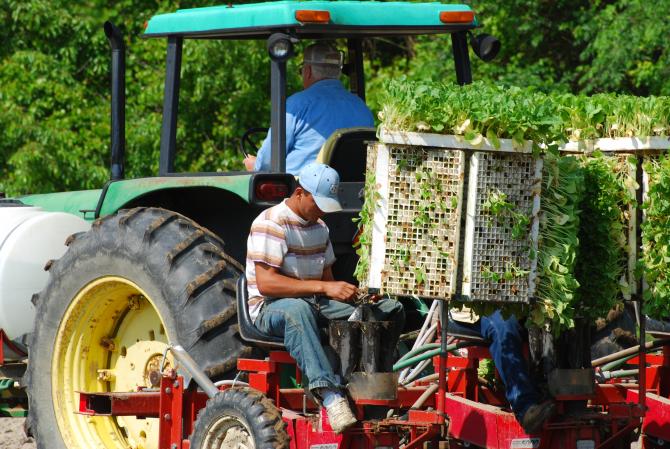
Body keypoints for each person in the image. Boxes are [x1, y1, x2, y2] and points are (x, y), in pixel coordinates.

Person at [246, 162, 404, 433]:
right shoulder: (271, 222)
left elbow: (327, 283)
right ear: (299, 193)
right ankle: (330, 395)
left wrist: (356, 298)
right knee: (298, 311)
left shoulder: (320, 227)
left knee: (390, 309)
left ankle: (373, 389)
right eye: (317, 204)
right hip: (270, 308)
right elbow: (266, 283)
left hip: (314, 303)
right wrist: (323, 288)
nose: (321, 211)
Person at [244, 43, 374, 175]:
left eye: (301, 70)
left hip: (300, 190)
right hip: (351, 188)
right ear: (338, 72)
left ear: (308, 71)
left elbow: (269, 159)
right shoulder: (362, 108)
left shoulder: (296, 106)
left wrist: (255, 165)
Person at [450, 308, 556, 434]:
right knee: (503, 326)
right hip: (475, 312)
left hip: (522, 309)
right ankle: (525, 408)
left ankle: (563, 396)